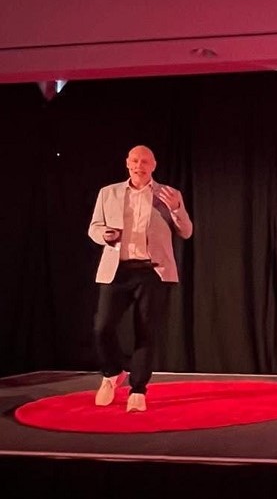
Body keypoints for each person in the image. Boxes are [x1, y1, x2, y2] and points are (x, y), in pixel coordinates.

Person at [87, 145, 193, 412]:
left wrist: (177, 208)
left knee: (145, 331)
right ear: (127, 163)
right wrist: (104, 235)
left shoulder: (168, 194)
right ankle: (112, 373)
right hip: (117, 269)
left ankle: (138, 389)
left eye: (145, 161)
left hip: (153, 271)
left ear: (153, 165)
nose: (139, 165)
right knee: (103, 326)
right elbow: (94, 228)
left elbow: (187, 232)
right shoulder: (108, 193)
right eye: (134, 160)